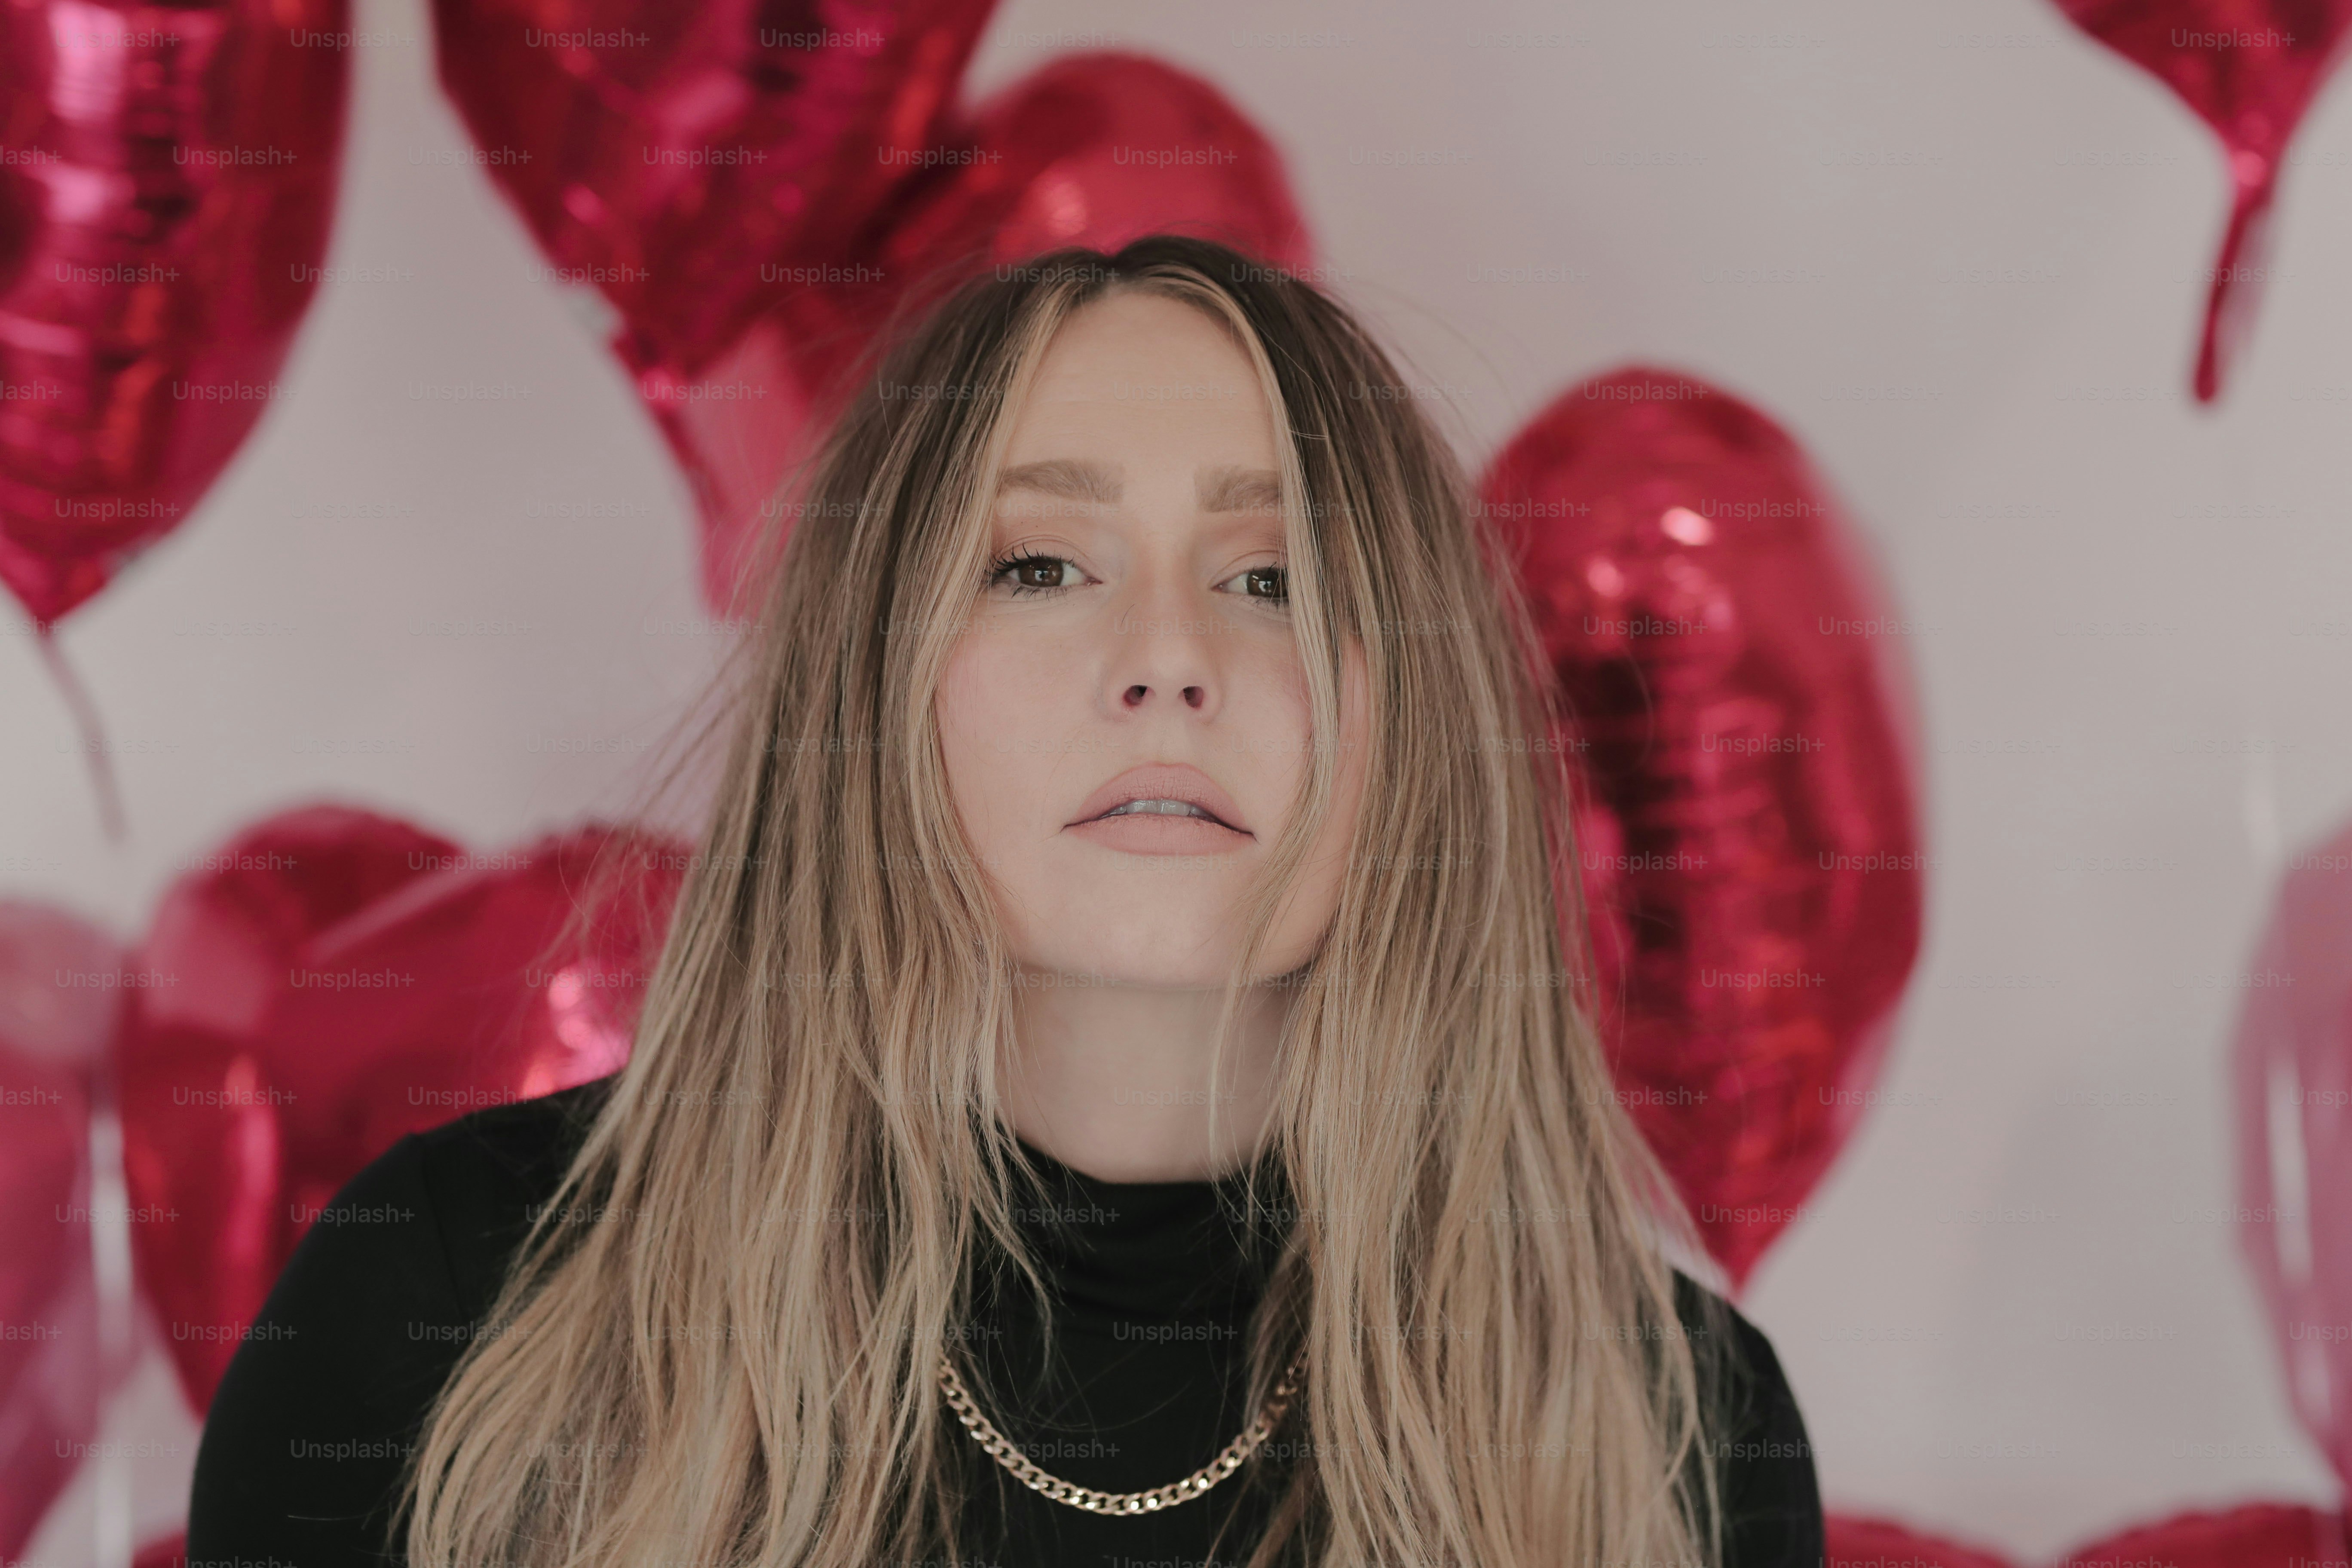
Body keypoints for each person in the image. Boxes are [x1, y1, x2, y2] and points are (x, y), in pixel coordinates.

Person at [188, 235, 1822, 1568]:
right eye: (1041, 565)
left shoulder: (1670, 1425)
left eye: (1277, 580)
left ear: (1420, 716)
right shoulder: (453, 1304)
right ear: (874, 683)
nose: (1172, 660)